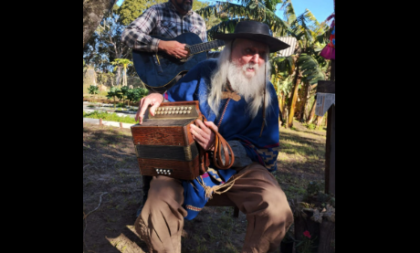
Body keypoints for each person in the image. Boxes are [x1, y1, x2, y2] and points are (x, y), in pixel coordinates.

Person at [133, 20, 294, 253]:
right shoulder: (204, 71)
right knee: (158, 200)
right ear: (229, 51)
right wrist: (158, 97)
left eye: (262, 54)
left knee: (276, 207)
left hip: (240, 169)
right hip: (188, 162)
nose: (255, 60)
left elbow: (264, 152)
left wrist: (219, 146)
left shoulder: (266, 92)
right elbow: (172, 99)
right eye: (248, 51)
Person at [121, 0, 208, 217]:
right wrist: (162, 45)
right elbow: (127, 35)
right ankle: (149, 198)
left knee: (190, 142)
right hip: (160, 88)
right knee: (155, 144)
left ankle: (186, 200)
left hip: (188, 91)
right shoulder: (157, 11)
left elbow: (202, 59)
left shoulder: (199, 21)